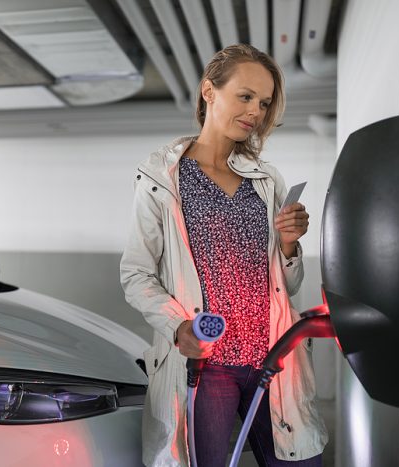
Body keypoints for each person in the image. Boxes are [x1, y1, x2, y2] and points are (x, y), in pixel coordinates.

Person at [119, 44, 327, 467]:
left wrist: (289, 245)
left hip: (272, 357)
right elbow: (136, 274)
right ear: (209, 92)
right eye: (245, 96)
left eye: (265, 103)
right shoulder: (161, 178)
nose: (256, 111)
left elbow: (286, 285)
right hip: (207, 364)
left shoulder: (266, 180)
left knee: (300, 461)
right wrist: (178, 328)